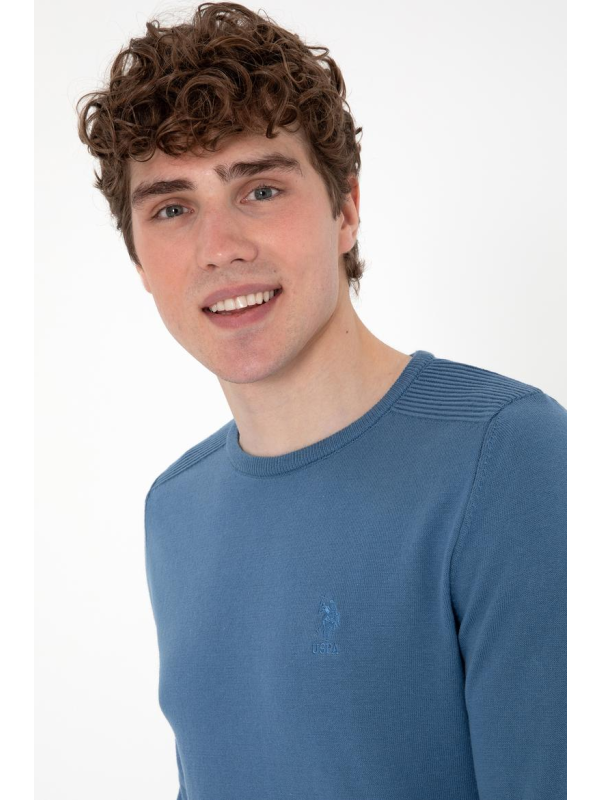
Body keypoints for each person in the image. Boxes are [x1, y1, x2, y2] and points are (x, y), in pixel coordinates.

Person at [76, 3, 567, 798]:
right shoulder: (175, 507)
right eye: (172, 208)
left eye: (261, 189)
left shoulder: (508, 457)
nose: (220, 248)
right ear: (138, 260)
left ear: (346, 210)